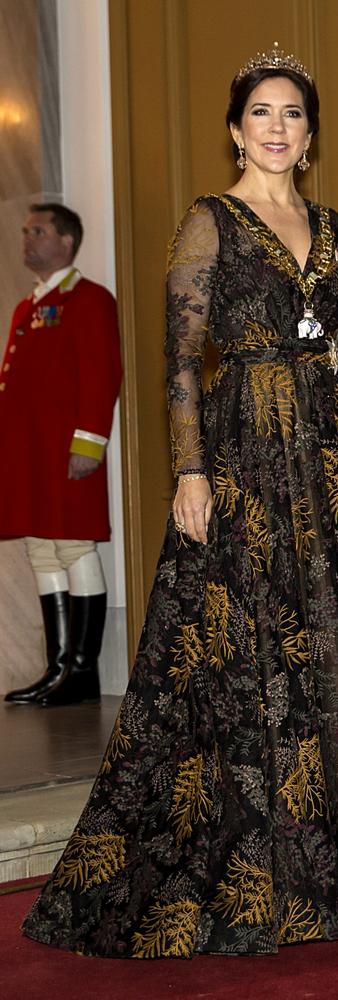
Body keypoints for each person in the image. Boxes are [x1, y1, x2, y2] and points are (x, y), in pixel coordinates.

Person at [22, 46, 338, 958]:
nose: (277, 127)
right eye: (262, 112)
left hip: (330, 458)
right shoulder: (210, 224)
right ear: (237, 128)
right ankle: (251, 873)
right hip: (244, 455)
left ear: (309, 136)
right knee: (237, 651)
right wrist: (189, 471)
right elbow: (182, 362)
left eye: (293, 115)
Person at [1, 204, 122, 707]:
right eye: (26, 232)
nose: (27, 239)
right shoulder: (28, 306)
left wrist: (89, 442)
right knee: (40, 547)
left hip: (67, 450)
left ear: (67, 241)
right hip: (30, 454)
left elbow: (101, 373)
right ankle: (58, 667)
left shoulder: (89, 299)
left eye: (39, 231)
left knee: (73, 546)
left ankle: (82, 670)